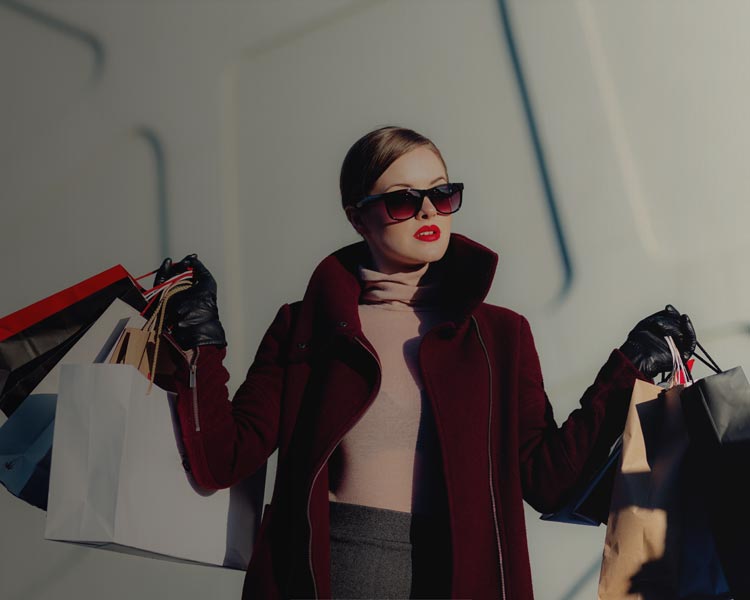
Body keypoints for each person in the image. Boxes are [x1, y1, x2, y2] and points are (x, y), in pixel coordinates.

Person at [155, 125, 696, 599]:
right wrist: (200, 341)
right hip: (331, 575)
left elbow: (548, 480)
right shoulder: (306, 326)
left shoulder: (500, 335)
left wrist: (628, 368)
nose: (429, 212)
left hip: (462, 577)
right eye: (402, 201)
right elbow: (222, 458)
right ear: (357, 217)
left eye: (442, 194)